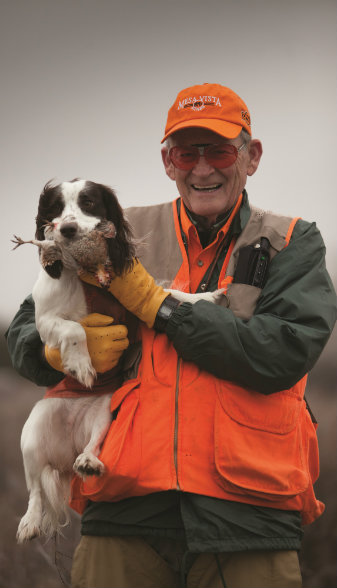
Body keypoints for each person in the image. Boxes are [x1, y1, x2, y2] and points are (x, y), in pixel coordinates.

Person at [6, 83, 337, 588]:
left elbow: (282, 353)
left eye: (221, 150)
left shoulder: (291, 241)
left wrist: (160, 308)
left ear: (252, 157)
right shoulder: (112, 228)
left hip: (249, 522)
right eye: (187, 153)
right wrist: (57, 351)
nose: (202, 168)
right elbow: (28, 327)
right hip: (122, 511)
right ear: (168, 162)